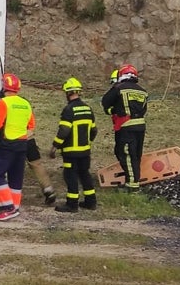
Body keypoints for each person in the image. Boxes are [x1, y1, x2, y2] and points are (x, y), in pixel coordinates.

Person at [0, 72, 35, 220]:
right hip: (22, 144)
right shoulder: (26, 104)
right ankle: (15, 206)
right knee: (16, 176)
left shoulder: (3, 103)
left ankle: (7, 207)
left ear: (4, 88)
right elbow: (31, 125)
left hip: (6, 144)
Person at [50, 77, 98, 212]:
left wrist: (55, 146)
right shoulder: (88, 109)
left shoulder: (69, 110)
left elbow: (64, 131)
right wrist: (87, 142)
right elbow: (94, 131)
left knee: (70, 176)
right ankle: (91, 202)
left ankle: (72, 204)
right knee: (85, 174)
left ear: (67, 93)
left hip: (71, 152)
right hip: (85, 151)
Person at [101, 64, 148, 192]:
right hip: (140, 126)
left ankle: (132, 186)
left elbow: (105, 101)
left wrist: (113, 110)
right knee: (136, 155)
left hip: (126, 126)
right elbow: (144, 109)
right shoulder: (143, 91)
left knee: (126, 155)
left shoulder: (119, 88)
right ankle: (132, 180)